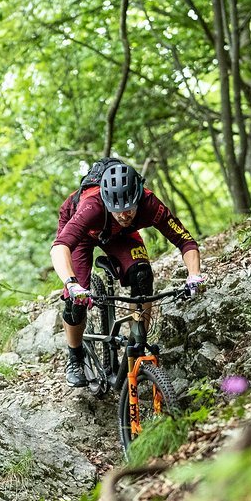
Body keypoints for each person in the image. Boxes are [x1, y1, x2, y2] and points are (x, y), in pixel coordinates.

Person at [51, 160, 205, 387]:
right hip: (84, 235)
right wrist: (71, 283)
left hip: (120, 236)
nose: (124, 215)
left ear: (138, 198)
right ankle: (75, 356)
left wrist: (194, 275)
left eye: (129, 210)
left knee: (142, 276)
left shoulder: (150, 203)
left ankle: (138, 344)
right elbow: (60, 247)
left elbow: (185, 241)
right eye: (118, 210)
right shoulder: (91, 206)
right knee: (76, 301)